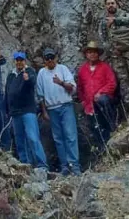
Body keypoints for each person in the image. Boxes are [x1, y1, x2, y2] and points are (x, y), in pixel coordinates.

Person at [36, 48, 81, 176]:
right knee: (58, 138)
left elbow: (72, 88)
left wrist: (60, 82)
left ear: (56, 57)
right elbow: (40, 95)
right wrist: (44, 112)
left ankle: (75, 165)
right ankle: (64, 166)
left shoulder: (63, 69)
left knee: (70, 135)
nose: (50, 60)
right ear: (44, 60)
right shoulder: (41, 74)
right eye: (47, 58)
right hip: (51, 109)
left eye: (52, 57)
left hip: (66, 106)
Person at [5, 51, 47, 169]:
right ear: (14, 61)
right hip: (15, 112)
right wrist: (7, 110)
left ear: (25, 61)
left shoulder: (29, 71)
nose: (19, 62)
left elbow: (33, 83)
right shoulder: (11, 75)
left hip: (28, 111)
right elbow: (7, 93)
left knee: (33, 138)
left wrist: (27, 79)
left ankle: (42, 165)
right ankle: (25, 165)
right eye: (17, 60)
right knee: (19, 140)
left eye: (21, 60)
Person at [76, 40, 117, 151]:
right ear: (86, 54)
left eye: (95, 52)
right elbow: (80, 88)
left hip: (103, 103)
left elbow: (112, 83)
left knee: (105, 123)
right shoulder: (82, 70)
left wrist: (101, 92)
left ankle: (113, 129)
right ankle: (102, 150)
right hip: (90, 106)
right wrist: (84, 102)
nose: (92, 54)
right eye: (90, 52)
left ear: (98, 54)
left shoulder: (105, 67)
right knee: (95, 129)